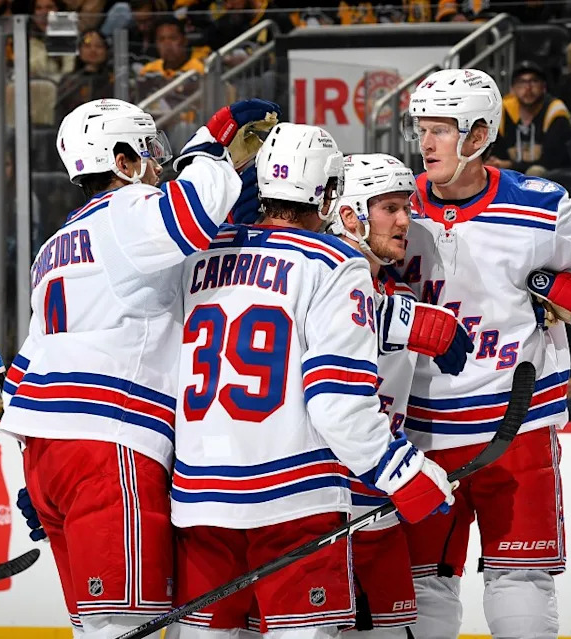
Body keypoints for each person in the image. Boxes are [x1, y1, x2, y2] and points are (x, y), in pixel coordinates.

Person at [0, 96, 279, 638]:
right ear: (122, 161)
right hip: (112, 448)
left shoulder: (54, 246)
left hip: (48, 454)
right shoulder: (127, 213)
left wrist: (43, 476)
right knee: (130, 628)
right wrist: (210, 139)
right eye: (150, 152)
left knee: (98, 628)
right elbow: (195, 209)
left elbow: (25, 367)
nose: (159, 165)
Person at [168, 123, 456, 639]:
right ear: (329, 196)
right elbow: (336, 402)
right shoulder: (332, 263)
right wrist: (404, 472)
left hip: (200, 496)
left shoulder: (198, 255)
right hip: (293, 495)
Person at [400, 68, 571, 639]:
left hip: (516, 426)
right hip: (416, 433)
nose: (427, 143)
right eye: (423, 129)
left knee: (521, 579)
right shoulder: (395, 204)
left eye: (442, 130)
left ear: (478, 136)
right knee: (423, 584)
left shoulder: (543, 206)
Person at [320, 152, 472, 639]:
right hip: (322, 504)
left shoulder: (390, 285)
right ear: (349, 213)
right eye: (389, 207)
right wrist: (413, 324)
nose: (405, 220)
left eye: (406, 206)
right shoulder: (318, 273)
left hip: (376, 503)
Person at [488, 60, 571, 174]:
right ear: (512, 89)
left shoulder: (555, 111)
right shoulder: (502, 111)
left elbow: (553, 161)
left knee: (535, 172)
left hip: (550, 179)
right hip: (509, 177)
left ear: (544, 87)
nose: (528, 88)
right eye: (521, 82)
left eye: (534, 81)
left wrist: (511, 165)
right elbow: (496, 153)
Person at [55, 29, 114, 122]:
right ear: (79, 50)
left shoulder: (114, 80)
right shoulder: (68, 81)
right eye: (87, 46)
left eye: (99, 46)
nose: (93, 50)